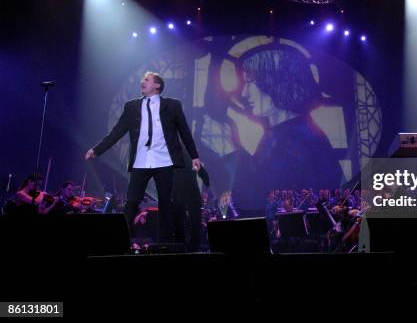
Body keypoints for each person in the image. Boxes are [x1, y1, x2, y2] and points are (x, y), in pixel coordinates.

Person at [85, 71, 201, 243]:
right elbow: (117, 132)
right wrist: (97, 149)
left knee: (165, 203)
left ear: (157, 85)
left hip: (164, 161)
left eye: (146, 80)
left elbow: (184, 131)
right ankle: (121, 241)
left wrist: (194, 156)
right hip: (141, 161)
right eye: (142, 79)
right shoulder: (132, 107)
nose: (142, 82)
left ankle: (165, 243)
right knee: (132, 201)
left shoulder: (172, 105)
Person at [229, 47, 343, 214]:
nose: (244, 93)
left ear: (274, 82)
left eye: (249, 81)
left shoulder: (299, 140)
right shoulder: (280, 135)